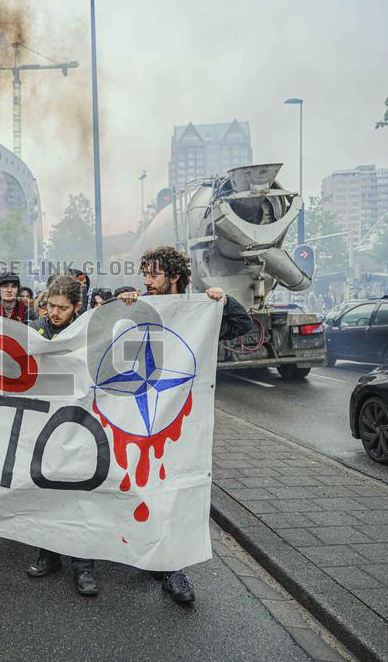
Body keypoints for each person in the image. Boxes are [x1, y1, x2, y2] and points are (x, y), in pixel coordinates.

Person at [136, 245, 254, 604]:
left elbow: (241, 325)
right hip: (141, 418)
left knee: (175, 489)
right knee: (143, 487)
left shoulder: (197, 309)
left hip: (181, 422)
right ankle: (144, 550)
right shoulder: (140, 306)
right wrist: (118, 303)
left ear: (173, 276)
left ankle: (174, 570)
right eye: (144, 274)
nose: (147, 280)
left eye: (154, 273)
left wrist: (223, 301)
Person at [26, 275, 100, 596]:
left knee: (78, 498)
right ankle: (48, 555)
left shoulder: (88, 331)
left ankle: (83, 567)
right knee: (47, 494)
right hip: (44, 427)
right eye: (50, 306)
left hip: (79, 425)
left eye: (62, 308)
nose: (54, 313)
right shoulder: (34, 329)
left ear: (77, 307)